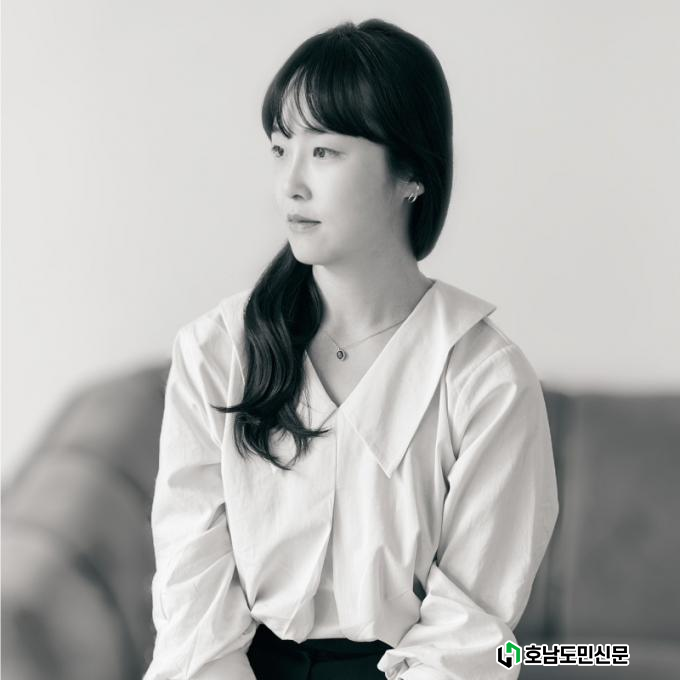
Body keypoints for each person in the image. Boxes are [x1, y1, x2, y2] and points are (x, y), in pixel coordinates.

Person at [142, 18, 559, 680]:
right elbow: (192, 599)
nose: (291, 183)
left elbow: (470, 632)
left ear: (411, 172)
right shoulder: (216, 353)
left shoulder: (487, 381)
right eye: (280, 148)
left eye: (325, 152)